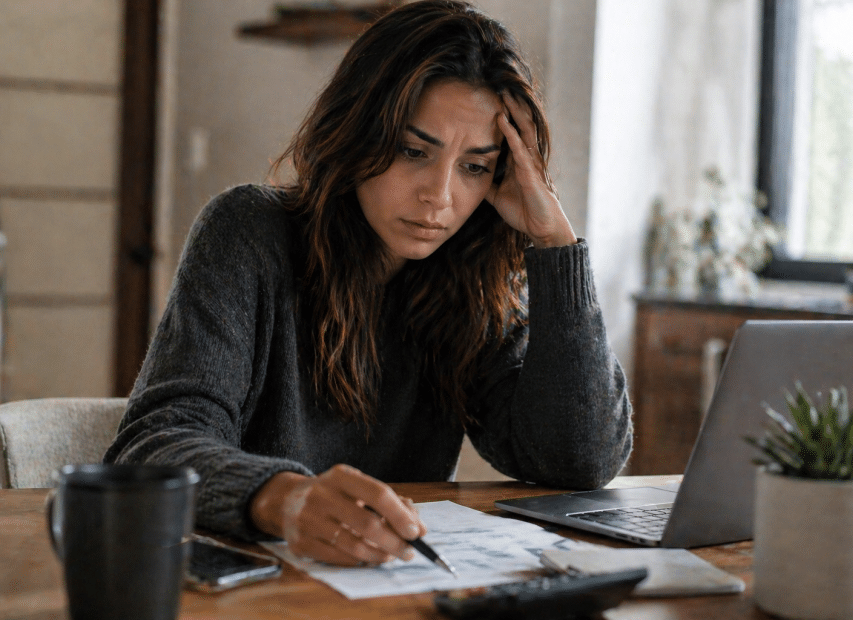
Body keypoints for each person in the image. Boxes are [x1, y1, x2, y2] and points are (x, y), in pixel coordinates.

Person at [104, 0, 633, 568]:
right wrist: (285, 498)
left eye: (475, 166)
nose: (441, 195)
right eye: (413, 151)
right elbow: (150, 448)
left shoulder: (473, 279)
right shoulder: (248, 233)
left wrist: (554, 245)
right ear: (358, 133)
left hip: (394, 587)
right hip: (254, 590)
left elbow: (578, 459)